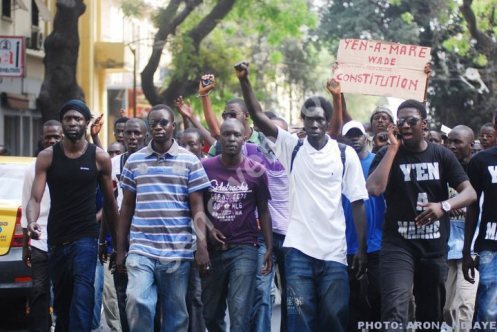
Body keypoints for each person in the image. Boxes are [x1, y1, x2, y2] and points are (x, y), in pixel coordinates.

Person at [236, 61, 369, 332]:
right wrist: (244, 79)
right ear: (303, 121)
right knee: (299, 319)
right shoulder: (291, 147)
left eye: (321, 118)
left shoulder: (345, 154)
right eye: (310, 118)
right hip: (297, 253)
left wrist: (362, 249)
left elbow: (357, 203)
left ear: (328, 121)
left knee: (334, 319)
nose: (315, 124)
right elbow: (259, 116)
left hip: (334, 252)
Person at [367, 99, 476, 331]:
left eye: (412, 121)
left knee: (430, 316)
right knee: (394, 309)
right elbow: (374, 189)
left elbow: (470, 193)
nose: (405, 125)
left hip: (433, 248)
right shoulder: (388, 153)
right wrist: (393, 149)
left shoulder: (442, 155)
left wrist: (443, 207)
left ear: (424, 125)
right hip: (398, 245)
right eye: (401, 121)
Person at [115, 105, 213, 331]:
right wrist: (121, 250)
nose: (158, 127)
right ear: (149, 128)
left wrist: (202, 246)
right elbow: (126, 208)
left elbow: (198, 207)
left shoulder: (190, 161)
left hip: (177, 252)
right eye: (154, 124)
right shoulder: (134, 161)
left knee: (176, 314)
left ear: (173, 126)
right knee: (137, 300)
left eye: (163, 123)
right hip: (142, 249)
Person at [26, 99, 119, 332]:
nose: (73, 122)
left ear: (86, 123)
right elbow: (35, 199)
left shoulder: (99, 157)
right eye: (68, 118)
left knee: (83, 295)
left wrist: (118, 244)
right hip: (56, 238)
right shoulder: (48, 156)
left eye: (78, 118)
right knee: (62, 301)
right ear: (62, 123)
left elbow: (110, 203)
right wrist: (31, 222)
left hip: (86, 238)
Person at [201, 118, 272, 332]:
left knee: (240, 312)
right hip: (213, 252)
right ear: (219, 137)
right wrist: (206, 234)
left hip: (245, 248)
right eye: (226, 134)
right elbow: (196, 208)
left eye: (236, 135)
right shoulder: (205, 168)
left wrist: (268, 248)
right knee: (210, 315)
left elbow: (264, 210)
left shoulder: (256, 171)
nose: (231, 139)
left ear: (244, 138)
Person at [341, 120, 384, 332]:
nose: (355, 138)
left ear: (366, 136)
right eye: (350, 135)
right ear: (343, 140)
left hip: (377, 243)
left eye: (358, 134)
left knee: (378, 298)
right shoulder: (336, 164)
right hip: (346, 244)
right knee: (352, 303)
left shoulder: (379, 162)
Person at [21, 120, 63, 332]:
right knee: (39, 290)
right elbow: (27, 203)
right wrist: (26, 245)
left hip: (67, 239)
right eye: (48, 137)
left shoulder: (71, 164)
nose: (52, 140)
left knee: (65, 291)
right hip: (39, 240)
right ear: (42, 138)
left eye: (56, 136)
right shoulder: (32, 168)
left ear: (63, 136)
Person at [443, 125, 479, 331]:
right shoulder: (442, 170)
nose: (452, 146)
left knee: (465, 304)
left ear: (471, 146)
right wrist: (447, 206)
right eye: (449, 141)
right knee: (447, 308)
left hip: (471, 248)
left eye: (458, 142)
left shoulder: (480, 170)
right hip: (446, 248)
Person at [463, 121, 497, 329]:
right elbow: (472, 207)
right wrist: (467, 250)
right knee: (488, 311)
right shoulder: (481, 160)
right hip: (490, 247)